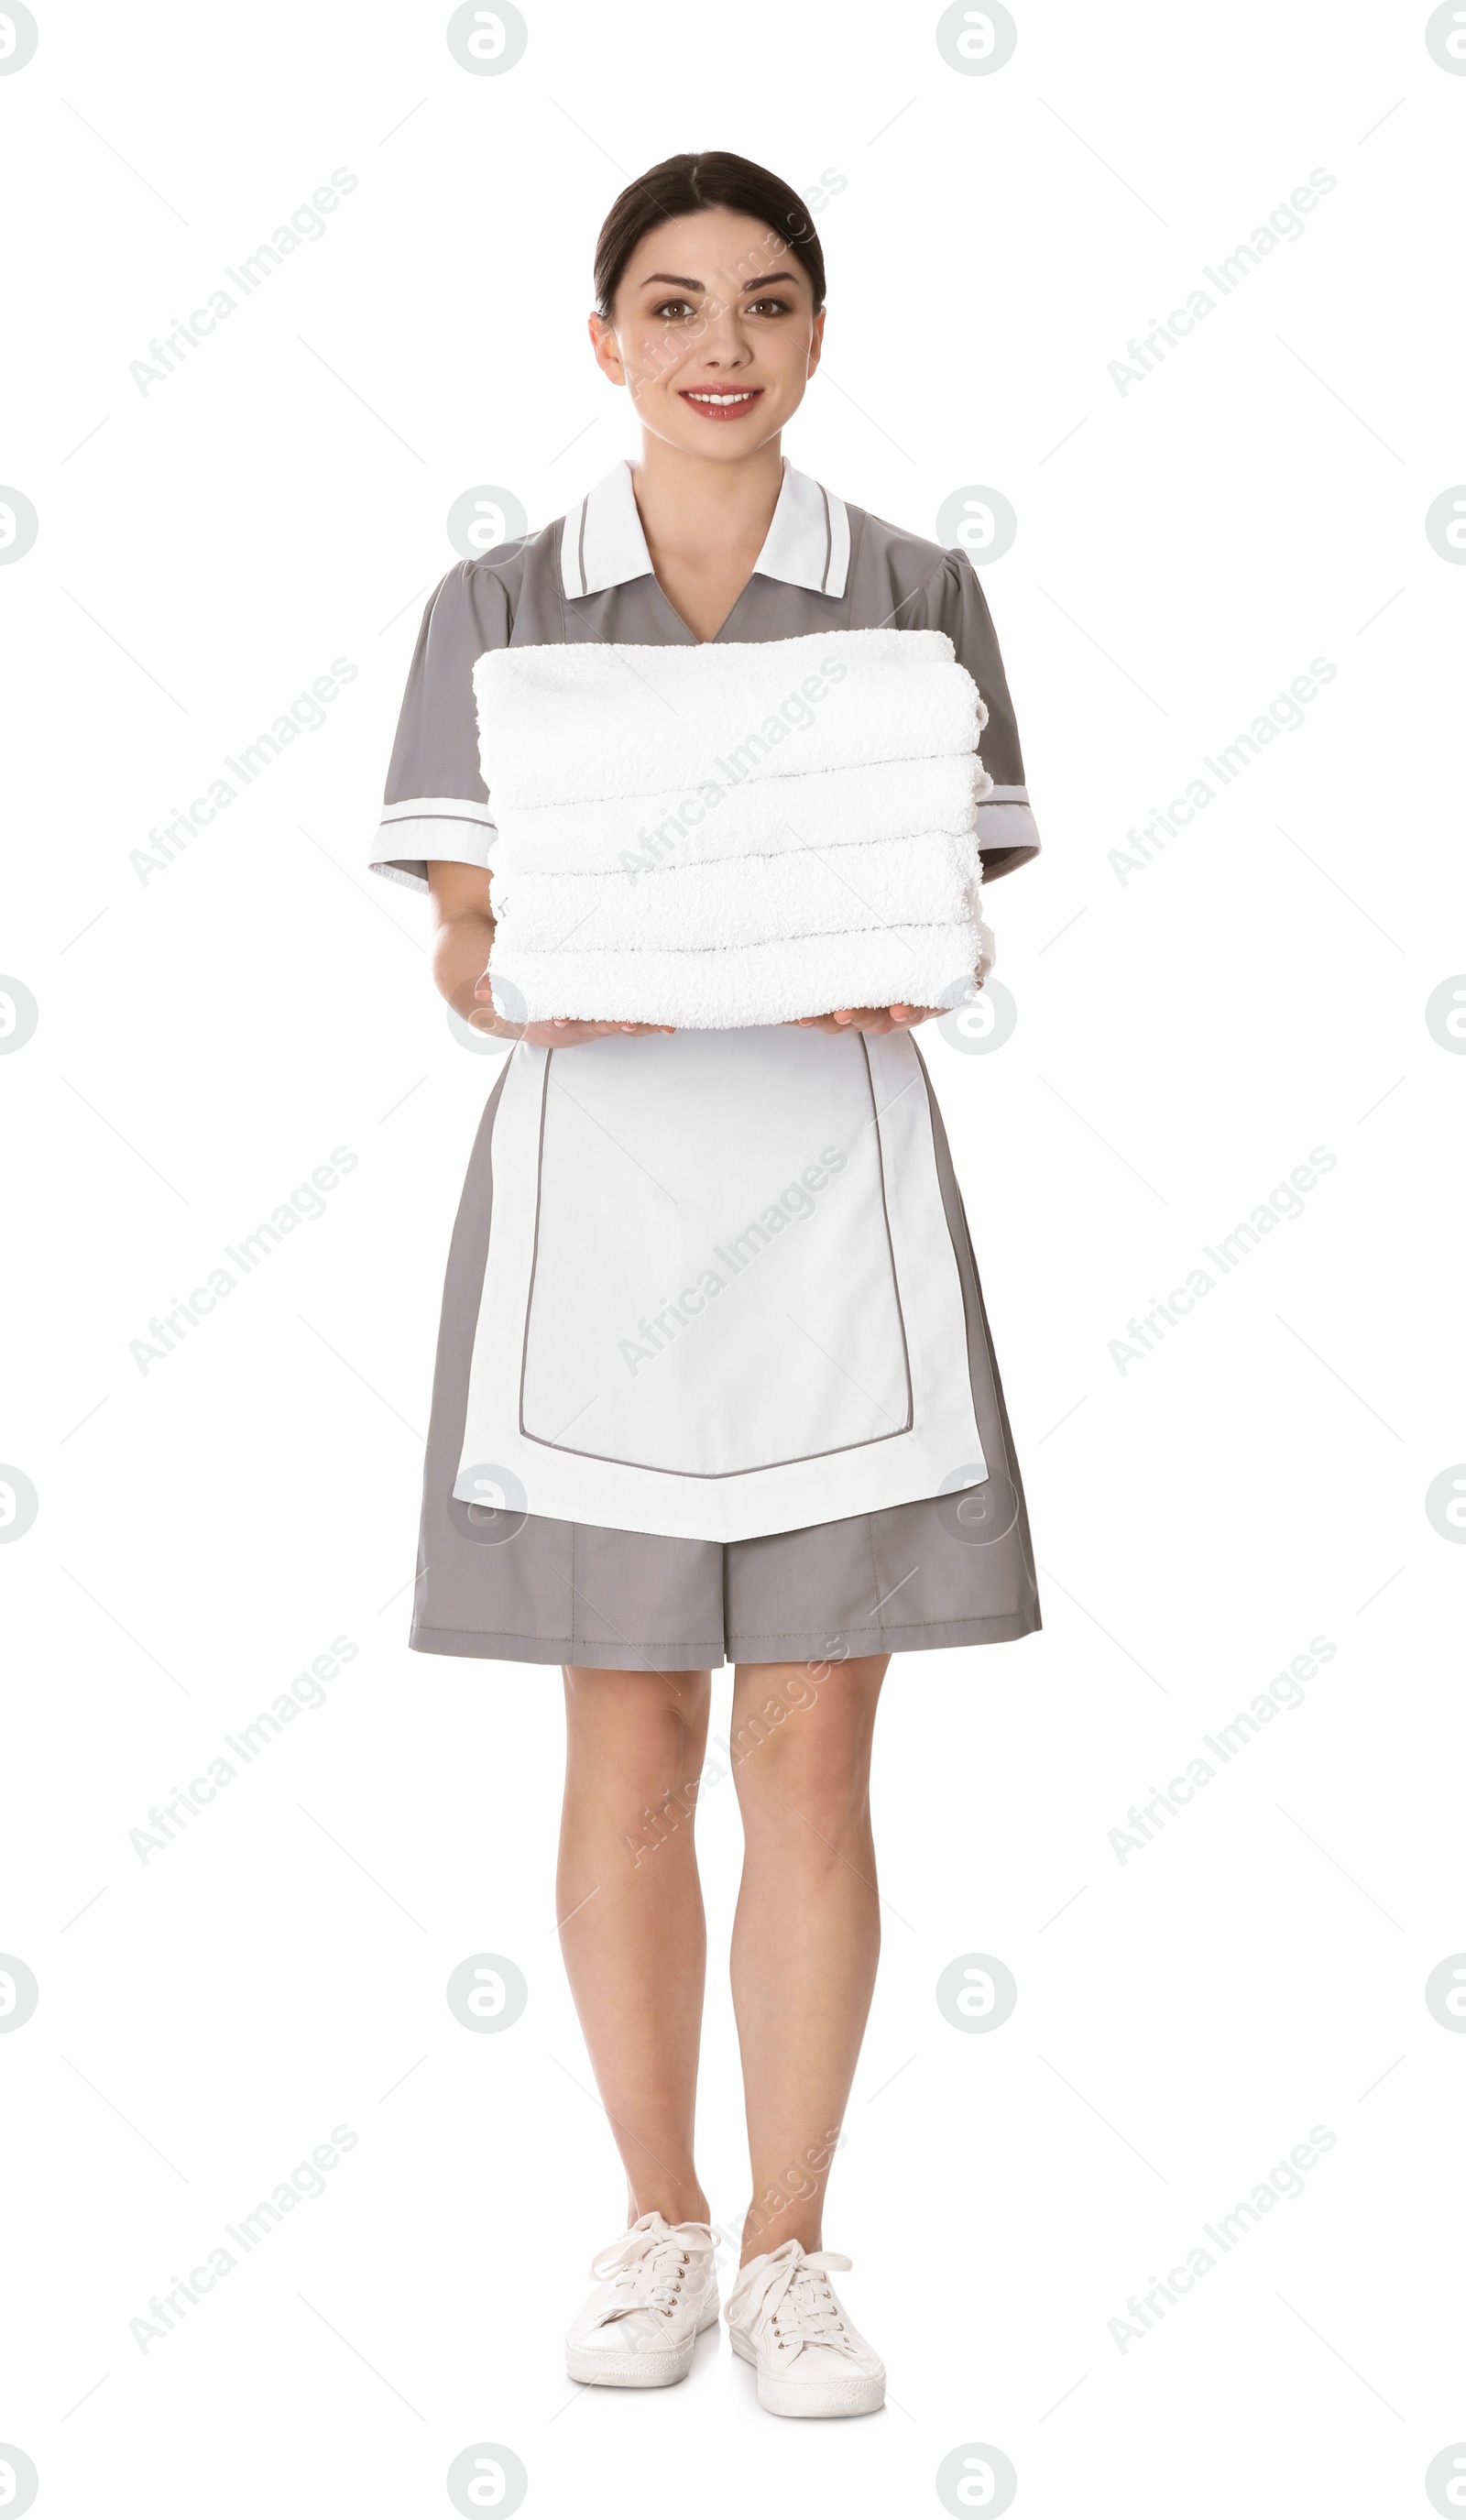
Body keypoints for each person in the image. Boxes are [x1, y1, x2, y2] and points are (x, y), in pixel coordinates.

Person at [368, 149, 1043, 2421]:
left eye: (763, 302)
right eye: (669, 306)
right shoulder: (500, 604)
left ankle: (789, 2247)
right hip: (592, 1221)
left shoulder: (914, 592)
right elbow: (463, 930)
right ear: (603, 345)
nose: (717, 345)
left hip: (833, 1209)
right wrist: (510, 974)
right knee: (626, 1731)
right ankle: (655, 2217)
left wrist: (902, 963)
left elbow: (951, 908)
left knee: (815, 1745)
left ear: (818, 331)